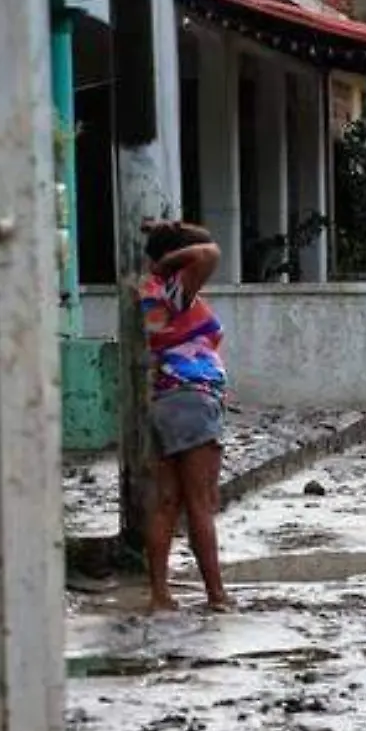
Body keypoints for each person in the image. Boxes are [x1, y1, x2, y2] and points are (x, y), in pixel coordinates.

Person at [140, 221, 232, 614]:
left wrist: (169, 230)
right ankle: (216, 594)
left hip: (165, 400)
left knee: (167, 502)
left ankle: (160, 594)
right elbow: (210, 251)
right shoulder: (174, 291)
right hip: (193, 400)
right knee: (200, 502)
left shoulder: (152, 293)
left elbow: (203, 247)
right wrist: (168, 259)